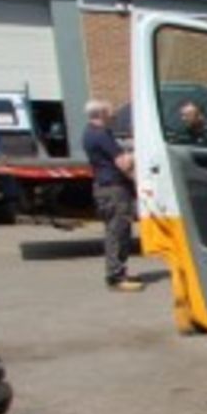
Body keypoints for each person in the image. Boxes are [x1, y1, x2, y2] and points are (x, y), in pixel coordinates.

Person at [83, 101, 142, 292]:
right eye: (111, 111)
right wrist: (135, 153)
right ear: (101, 113)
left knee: (115, 231)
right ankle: (116, 276)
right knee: (118, 231)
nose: (114, 115)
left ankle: (118, 272)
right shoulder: (101, 135)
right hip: (114, 189)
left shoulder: (90, 132)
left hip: (106, 188)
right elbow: (123, 163)